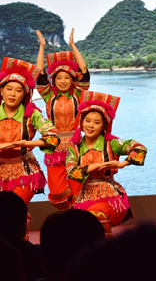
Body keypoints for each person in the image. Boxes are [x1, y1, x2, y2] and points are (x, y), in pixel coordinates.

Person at [66, 90, 147, 235]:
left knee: (96, 218)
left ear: (104, 126)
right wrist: (97, 166)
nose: (91, 126)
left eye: (96, 122)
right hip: (85, 198)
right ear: (81, 122)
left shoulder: (112, 143)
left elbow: (140, 148)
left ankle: (106, 249)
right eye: (87, 121)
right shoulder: (75, 148)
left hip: (110, 197)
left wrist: (123, 163)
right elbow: (71, 171)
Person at [36, 28, 91, 211]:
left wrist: (73, 45)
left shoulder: (78, 94)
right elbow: (39, 73)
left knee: (77, 192)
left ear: (72, 79)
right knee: (58, 194)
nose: (62, 81)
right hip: (55, 147)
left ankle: (77, 223)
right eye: (58, 78)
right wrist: (42, 47)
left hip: (76, 147)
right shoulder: (49, 96)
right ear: (54, 80)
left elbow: (84, 71)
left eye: (66, 77)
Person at [0, 57, 59, 205]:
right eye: (9, 89)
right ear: (1, 90)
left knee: (13, 208)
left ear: (25, 94)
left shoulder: (32, 114)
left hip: (25, 173)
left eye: (18, 90)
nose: (12, 94)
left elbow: (53, 137)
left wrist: (27, 143)